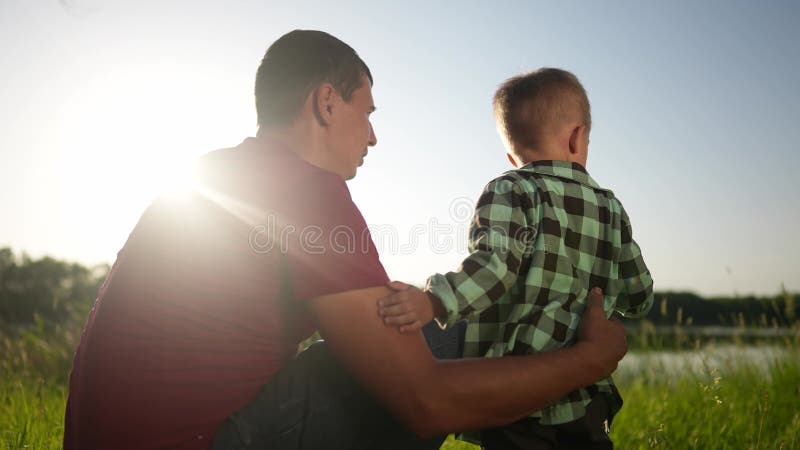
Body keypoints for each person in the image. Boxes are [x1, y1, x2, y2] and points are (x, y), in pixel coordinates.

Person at [63, 32, 627, 450]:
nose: (374, 135)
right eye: (368, 112)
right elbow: (424, 402)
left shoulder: (213, 173)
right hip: (206, 441)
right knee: (446, 332)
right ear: (327, 102)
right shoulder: (306, 190)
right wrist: (588, 359)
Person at [378, 68, 654, 449]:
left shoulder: (512, 188)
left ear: (512, 155)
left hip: (518, 397)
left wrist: (433, 300)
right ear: (577, 137)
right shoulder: (611, 208)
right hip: (585, 401)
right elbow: (639, 293)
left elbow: (495, 266)